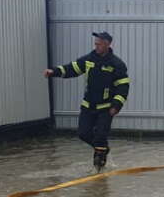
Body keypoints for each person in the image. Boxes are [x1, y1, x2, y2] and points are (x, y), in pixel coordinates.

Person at [44, 31, 130, 169]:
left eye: (99, 44)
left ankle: (99, 174)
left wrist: (116, 105)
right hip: (88, 106)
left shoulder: (116, 64)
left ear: (107, 44)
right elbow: (72, 68)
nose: (96, 47)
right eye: (95, 44)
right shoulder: (89, 59)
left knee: (101, 136)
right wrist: (54, 72)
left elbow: (123, 87)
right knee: (83, 134)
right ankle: (103, 150)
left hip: (106, 108)